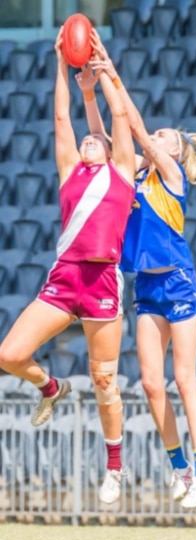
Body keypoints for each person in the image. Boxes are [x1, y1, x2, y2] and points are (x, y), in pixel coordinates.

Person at [0, 29, 135, 504]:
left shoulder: (122, 172)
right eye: (85, 140)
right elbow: (61, 116)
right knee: (9, 354)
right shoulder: (69, 171)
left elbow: (119, 116)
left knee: (104, 382)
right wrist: (62, 63)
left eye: (95, 139)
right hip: (64, 280)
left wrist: (101, 74)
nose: (87, 141)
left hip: (101, 283)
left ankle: (115, 468)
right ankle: (50, 387)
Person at [87, 33, 196, 510]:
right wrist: (91, 87)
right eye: (158, 135)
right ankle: (180, 467)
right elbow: (106, 137)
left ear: (175, 153)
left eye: (166, 138)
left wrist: (112, 72)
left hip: (178, 280)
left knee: (185, 379)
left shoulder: (173, 178)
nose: (155, 138)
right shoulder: (133, 177)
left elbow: (134, 128)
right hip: (147, 288)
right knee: (150, 383)